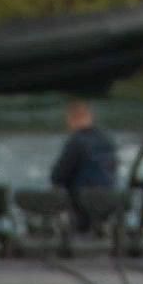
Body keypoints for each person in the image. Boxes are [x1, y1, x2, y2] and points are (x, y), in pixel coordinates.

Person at [48, 98, 121, 232]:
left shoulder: (76, 142)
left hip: (82, 200)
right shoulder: (107, 140)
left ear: (72, 119)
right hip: (108, 198)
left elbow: (58, 175)